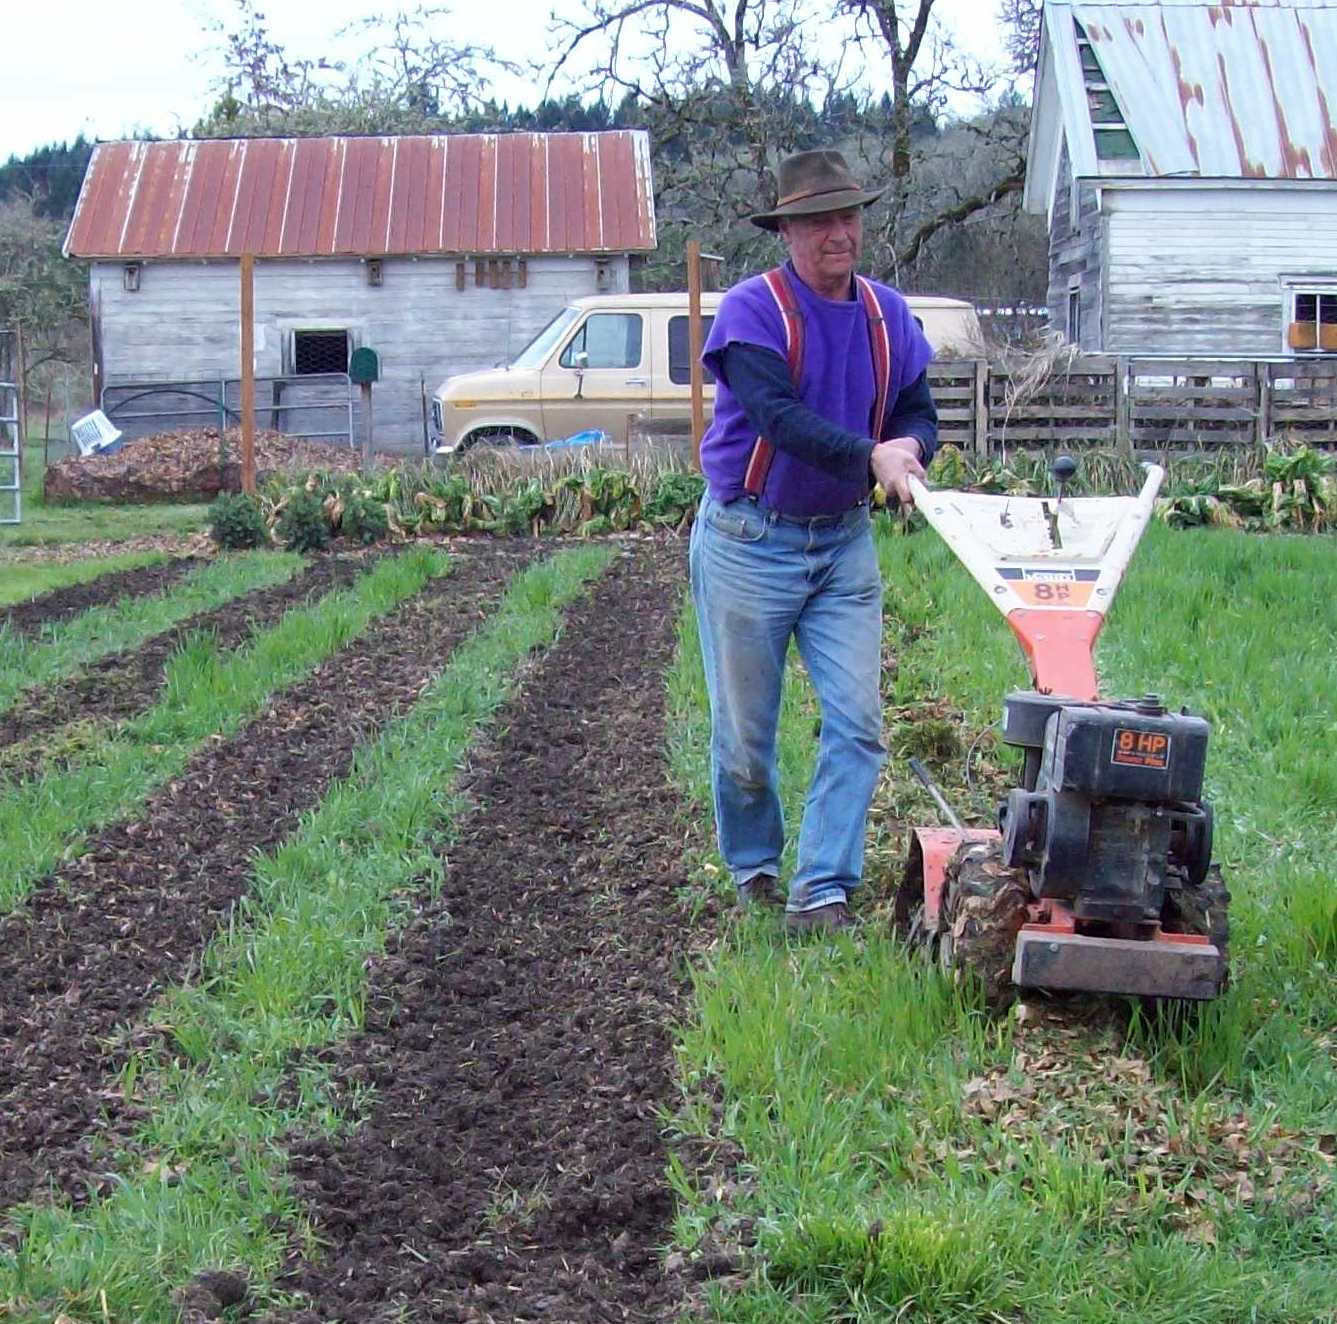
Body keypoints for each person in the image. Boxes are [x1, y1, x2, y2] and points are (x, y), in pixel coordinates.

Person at [689, 148, 939, 933]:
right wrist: (868, 456)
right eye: (816, 220)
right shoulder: (753, 311)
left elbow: (917, 410)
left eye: (846, 216)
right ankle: (755, 868)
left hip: (841, 544)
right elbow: (777, 419)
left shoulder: (887, 315)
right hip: (748, 538)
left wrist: (908, 450)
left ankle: (822, 888)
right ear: (787, 232)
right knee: (744, 736)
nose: (837, 233)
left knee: (858, 720)